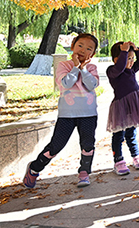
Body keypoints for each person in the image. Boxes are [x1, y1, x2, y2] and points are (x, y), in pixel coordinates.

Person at [23, 33, 100, 188]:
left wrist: (83, 69)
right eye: (80, 46)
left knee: (88, 145)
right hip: (67, 114)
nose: (83, 50)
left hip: (88, 113)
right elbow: (65, 84)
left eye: (88, 49)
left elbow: (92, 85)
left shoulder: (92, 68)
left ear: (93, 54)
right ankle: (34, 168)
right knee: (56, 146)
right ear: (72, 47)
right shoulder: (63, 66)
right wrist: (76, 67)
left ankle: (84, 173)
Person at [106, 41, 139, 176]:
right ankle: (118, 160)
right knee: (118, 135)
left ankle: (136, 155)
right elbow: (120, 66)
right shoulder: (112, 71)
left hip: (134, 104)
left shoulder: (131, 70)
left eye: (132, 58)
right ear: (117, 59)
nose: (132, 61)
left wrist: (136, 49)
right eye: (128, 58)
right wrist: (123, 52)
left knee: (131, 133)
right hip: (120, 106)